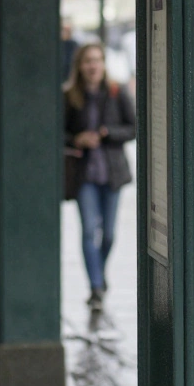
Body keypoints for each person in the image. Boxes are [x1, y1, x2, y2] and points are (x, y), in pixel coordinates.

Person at [63, 43, 136, 311]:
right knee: (89, 231)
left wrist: (108, 133)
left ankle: (98, 275)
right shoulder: (70, 96)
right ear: (80, 66)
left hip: (111, 174)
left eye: (97, 60)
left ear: (104, 64)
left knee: (109, 234)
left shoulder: (116, 92)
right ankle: (95, 287)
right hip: (85, 175)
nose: (92, 66)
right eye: (87, 61)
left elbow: (133, 128)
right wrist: (77, 139)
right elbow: (59, 132)